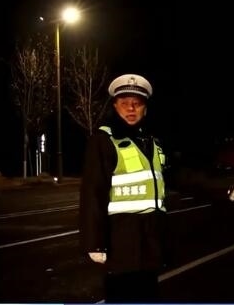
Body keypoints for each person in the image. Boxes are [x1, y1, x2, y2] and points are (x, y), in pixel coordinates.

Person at [79, 74, 167, 302]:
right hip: (121, 244)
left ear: (145, 108)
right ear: (115, 106)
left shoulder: (152, 141)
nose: (131, 108)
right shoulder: (104, 140)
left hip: (151, 242)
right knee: (122, 296)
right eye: (124, 102)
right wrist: (95, 243)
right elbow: (93, 193)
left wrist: (220, 191)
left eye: (137, 103)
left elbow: (180, 175)